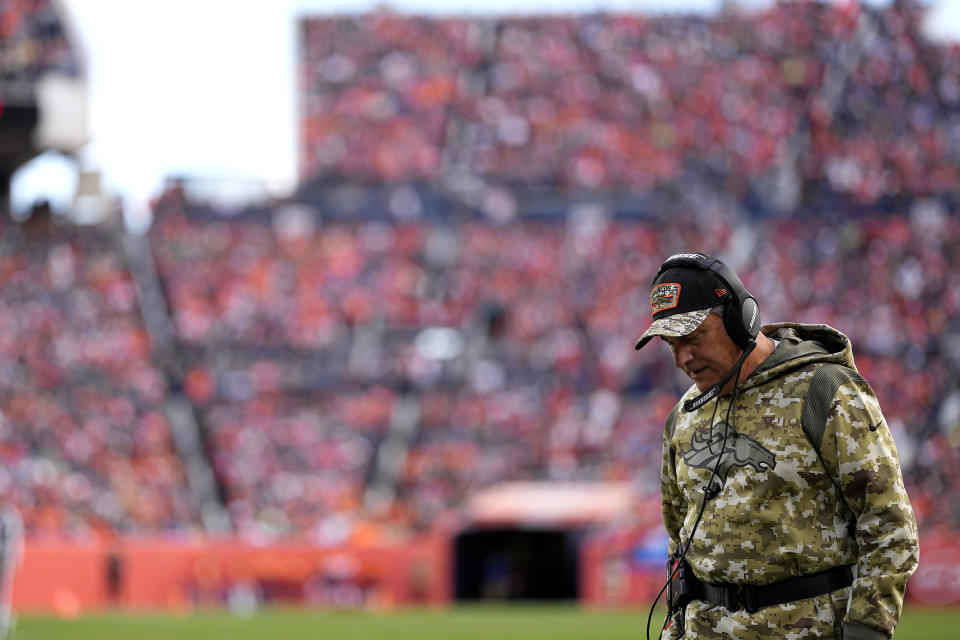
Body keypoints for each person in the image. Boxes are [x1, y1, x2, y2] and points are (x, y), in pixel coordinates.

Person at [634, 252, 919, 640]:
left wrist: (867, 629)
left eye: (692, 338)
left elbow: (888, 521)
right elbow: (679, 537)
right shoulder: (683, 417)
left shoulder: (824, 390)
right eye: (671, 344)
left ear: (738, 320)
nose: (683, 357)